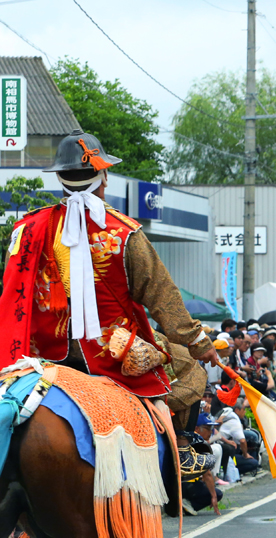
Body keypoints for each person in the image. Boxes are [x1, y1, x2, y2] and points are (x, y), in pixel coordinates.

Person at [0, 130, 215, 476]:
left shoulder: (27, 228)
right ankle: (183, 454)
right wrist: (198, 342)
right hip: (112, 352)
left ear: (60, 179)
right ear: (103, 178)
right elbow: (163, 299)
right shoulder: (125, 232)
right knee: (189, 367)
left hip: (41, 352)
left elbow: (11, 293)